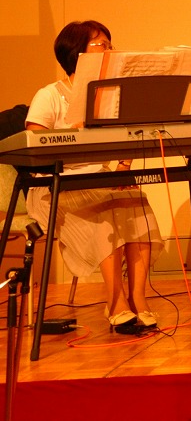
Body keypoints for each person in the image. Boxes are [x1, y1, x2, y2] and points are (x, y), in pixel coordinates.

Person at [25, 20, 159, 334]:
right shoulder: (50, 95)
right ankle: (115, 301)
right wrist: (73, 136)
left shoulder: (109, 96)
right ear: (77, 53)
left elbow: (128, 138)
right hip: (55, 186)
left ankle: (138, 297)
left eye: (110, 45)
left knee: (135, 200)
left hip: (99, 180)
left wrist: (123, 169)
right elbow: (33, 144)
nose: (109, 51)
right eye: (102, 45)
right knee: (105, 211)